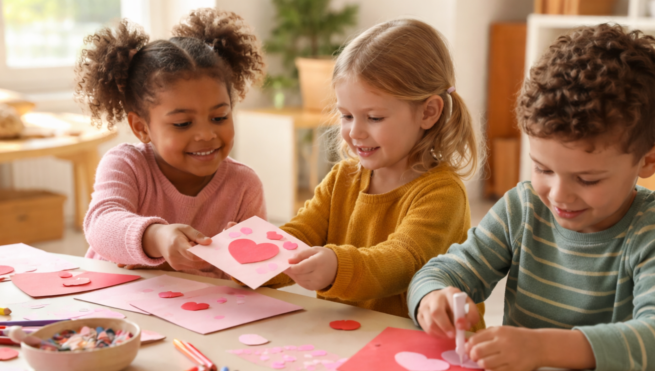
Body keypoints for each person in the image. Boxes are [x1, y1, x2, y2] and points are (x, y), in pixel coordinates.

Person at [409, 24, 655, 371]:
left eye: (587, 179)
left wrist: (542, 348)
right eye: (543, 169)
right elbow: (439, 272)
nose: (559, 195)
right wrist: (433, 298)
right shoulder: (523, 207)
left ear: (650, 160)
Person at [263, 18, 484, 322]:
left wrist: (337, 267)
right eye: (346, 116)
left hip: (424, 342)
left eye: (374, 118)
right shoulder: (342, 178)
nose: (355, 132)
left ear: (428, 112)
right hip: (348, 335)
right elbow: (299, 236)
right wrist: (248, 255)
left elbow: (402, 261)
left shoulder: (442, 193)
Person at [75, 8, 266, 276]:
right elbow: (101, 224)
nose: (206, 134)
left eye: (219, 117)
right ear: (141, 128)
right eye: (183, 123)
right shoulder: (126, 164)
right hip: (113, 298)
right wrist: (157, 237)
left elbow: (256, 274)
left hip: (201, 302)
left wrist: (239, 259)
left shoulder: (244, 185)